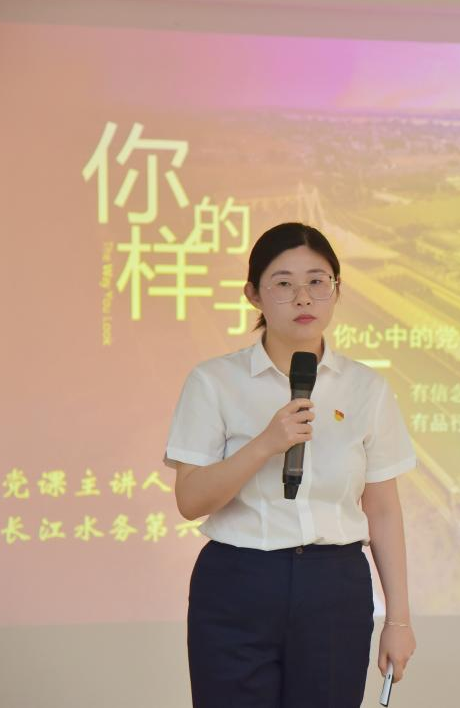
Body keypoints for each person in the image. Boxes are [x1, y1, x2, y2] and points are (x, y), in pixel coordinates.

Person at [163, 222, 417, 708]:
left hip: (334, 587)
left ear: (336, 290)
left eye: (317, 282)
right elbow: (190, 500)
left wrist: (398, 620)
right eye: (283, 283)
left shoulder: (366, 388)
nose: (303, 297)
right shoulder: (214, 381)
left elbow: (383, 509)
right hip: (238, 583)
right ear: (254, 295)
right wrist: (264, 444)